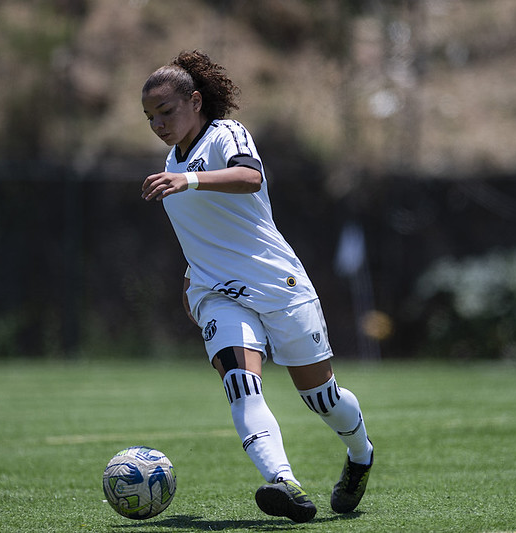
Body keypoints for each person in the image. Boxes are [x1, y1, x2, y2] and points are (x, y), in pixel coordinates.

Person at [140, 50, 374, 523]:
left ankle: (361, 454)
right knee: (242, 386)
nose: (158, 124)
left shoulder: (226, 134)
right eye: (149, 117)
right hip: (216, 293)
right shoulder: (173, 165)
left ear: (196, 101)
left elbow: (249, 178)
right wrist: (192, 276)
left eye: (166, 111)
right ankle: (284, 483)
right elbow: (203, 233)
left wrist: (188, 181)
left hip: (277, 283)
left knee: (322, 398)